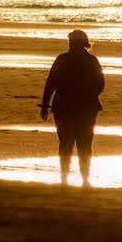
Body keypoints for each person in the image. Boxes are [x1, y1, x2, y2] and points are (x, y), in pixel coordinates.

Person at [41, 29, 105, 187]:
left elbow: (51, 84)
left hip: (63, 105)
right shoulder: (91, 61)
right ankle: (84, 178)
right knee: (85, 143)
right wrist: (88, 95)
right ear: (85, 43)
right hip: (87, 107)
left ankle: (64, 178)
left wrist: (45, 105)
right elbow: (100, 85)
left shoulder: (62, 59)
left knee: (65, 142)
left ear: (71, 43)